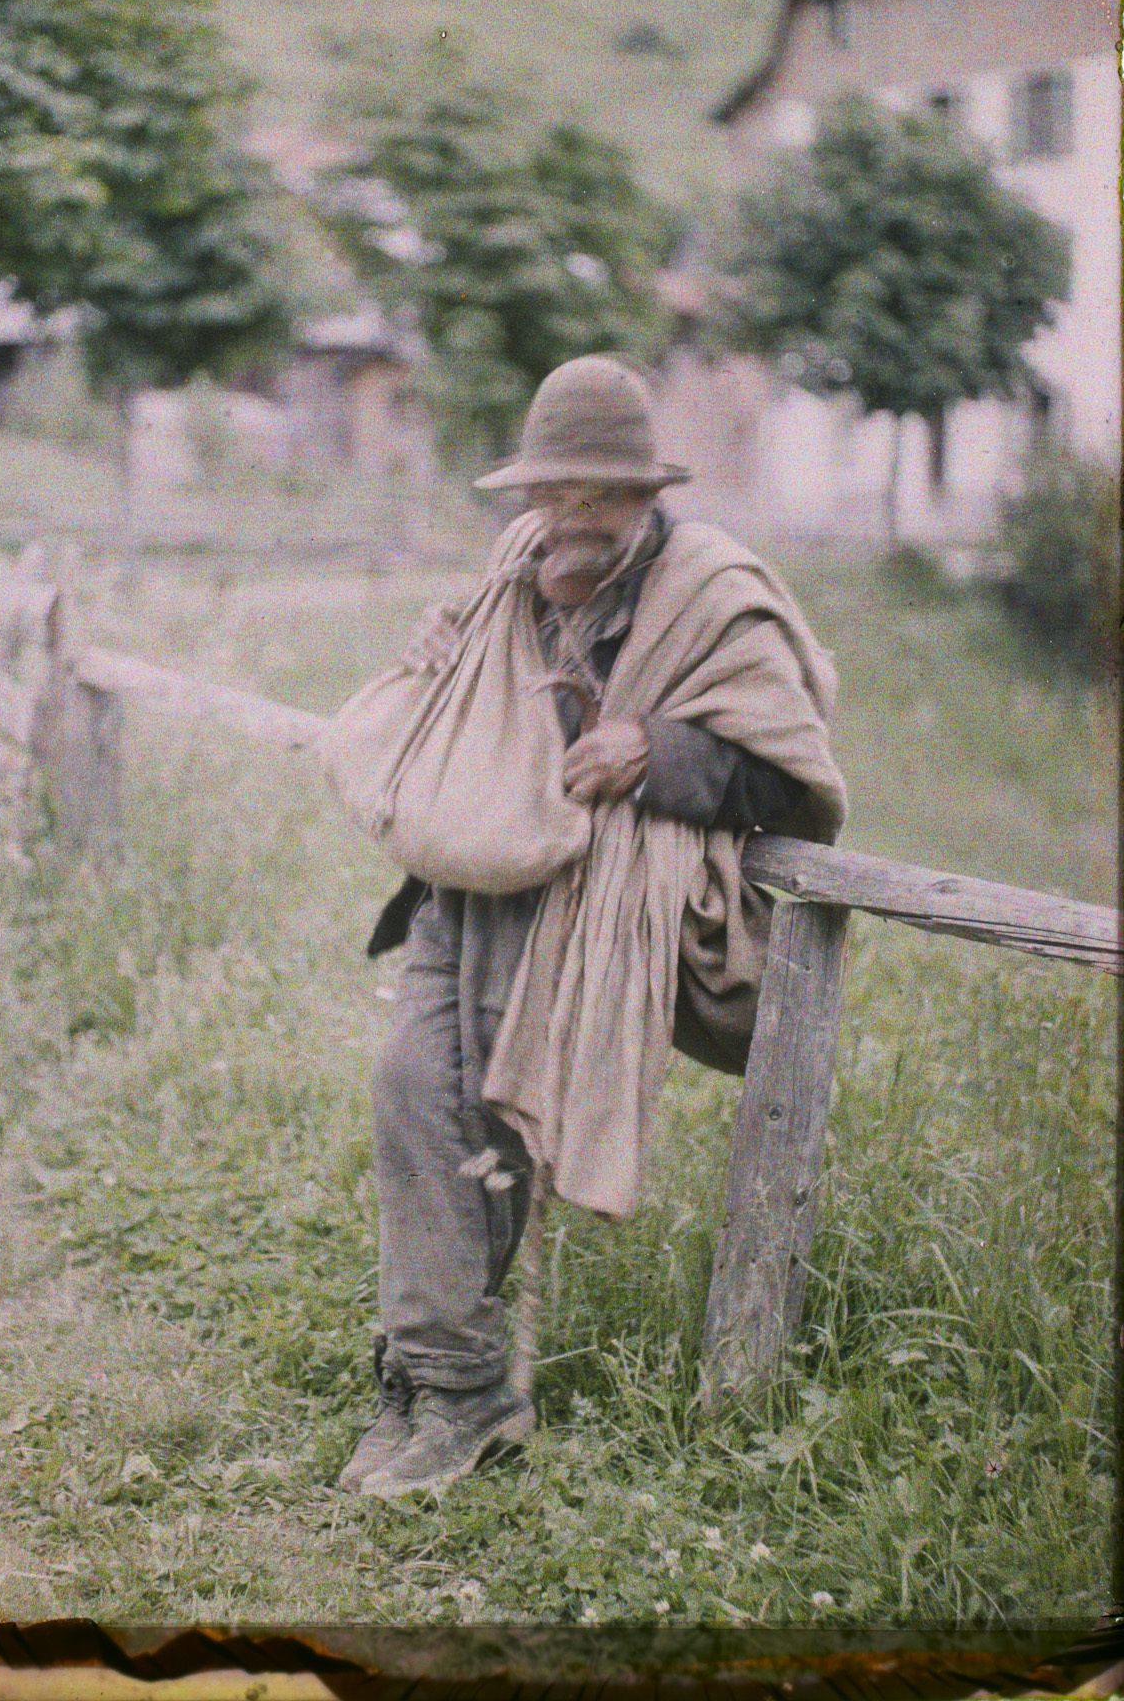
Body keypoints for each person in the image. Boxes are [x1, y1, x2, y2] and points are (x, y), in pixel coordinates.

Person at [338, 354, 846, 1500]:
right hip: (469, 878)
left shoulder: (714, 592)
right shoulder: (515, 567)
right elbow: (473, 679)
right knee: (412, 1088)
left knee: (488, 1112)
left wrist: (655, 749)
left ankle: (459, 1391)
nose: (570, 518)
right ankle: (434, 1373)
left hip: (594, 902)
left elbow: (788, 767)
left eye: (598, 495)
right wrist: (441, 651)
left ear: (645, 495)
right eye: (550, 490)